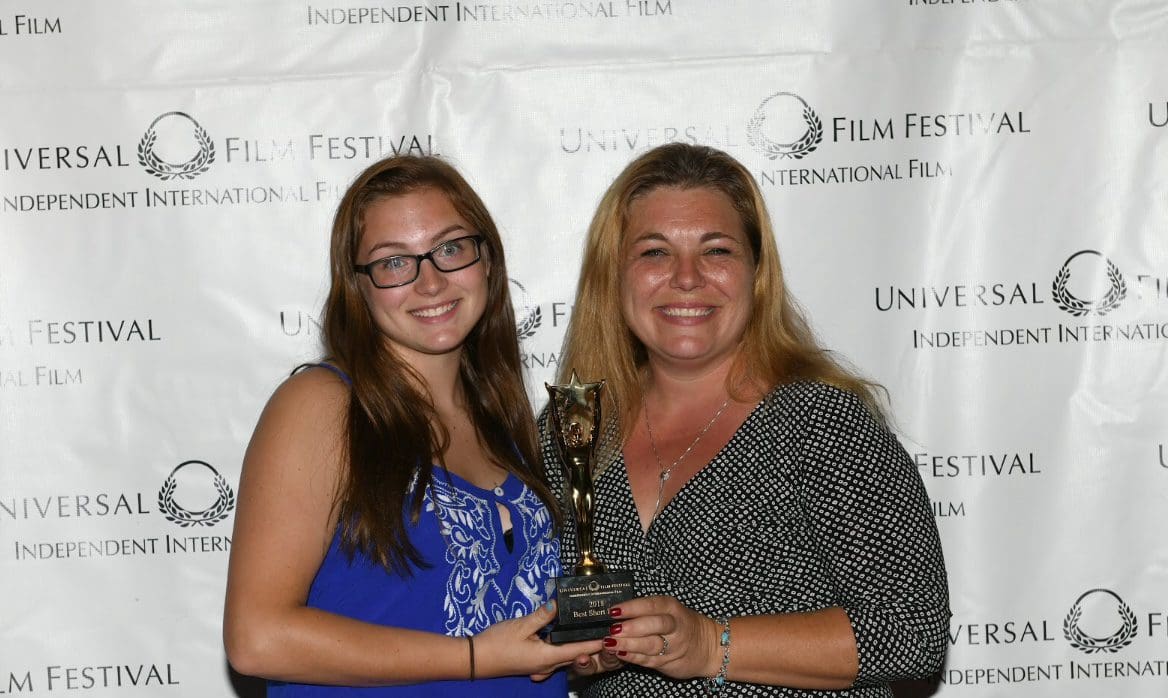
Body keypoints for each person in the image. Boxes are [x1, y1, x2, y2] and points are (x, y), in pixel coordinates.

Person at [541, 143, 950, 697]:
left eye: (717, 251)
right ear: (614, 277)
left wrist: (712, 644)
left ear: (756, 274)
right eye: (654, 253)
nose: (687, 278)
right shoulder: (570, 430)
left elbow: (911, 630)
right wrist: (579, 654)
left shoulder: (821, 421)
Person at [224, 155, 601, 696]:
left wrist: (580, 649)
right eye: (394, 262)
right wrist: (473, 658)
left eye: (450, 248)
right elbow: (256, 638)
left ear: (486, 260)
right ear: (359, 287)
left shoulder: (503, 415)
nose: (430, 282)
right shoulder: (322, 406)